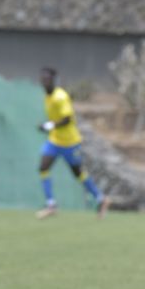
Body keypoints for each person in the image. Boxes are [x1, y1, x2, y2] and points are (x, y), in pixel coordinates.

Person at [36, 67, 109, 219]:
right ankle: (51, 204)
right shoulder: (47, 97)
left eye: (47, 79)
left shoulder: (60, 97)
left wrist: (48, 125)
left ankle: (100, 198)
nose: (44, 82)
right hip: (55, 140)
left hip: (70, 142)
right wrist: (48, 126)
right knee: (43, 167)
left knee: (78, 173)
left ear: (54, 80)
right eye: (43, 79)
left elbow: (67, 118)